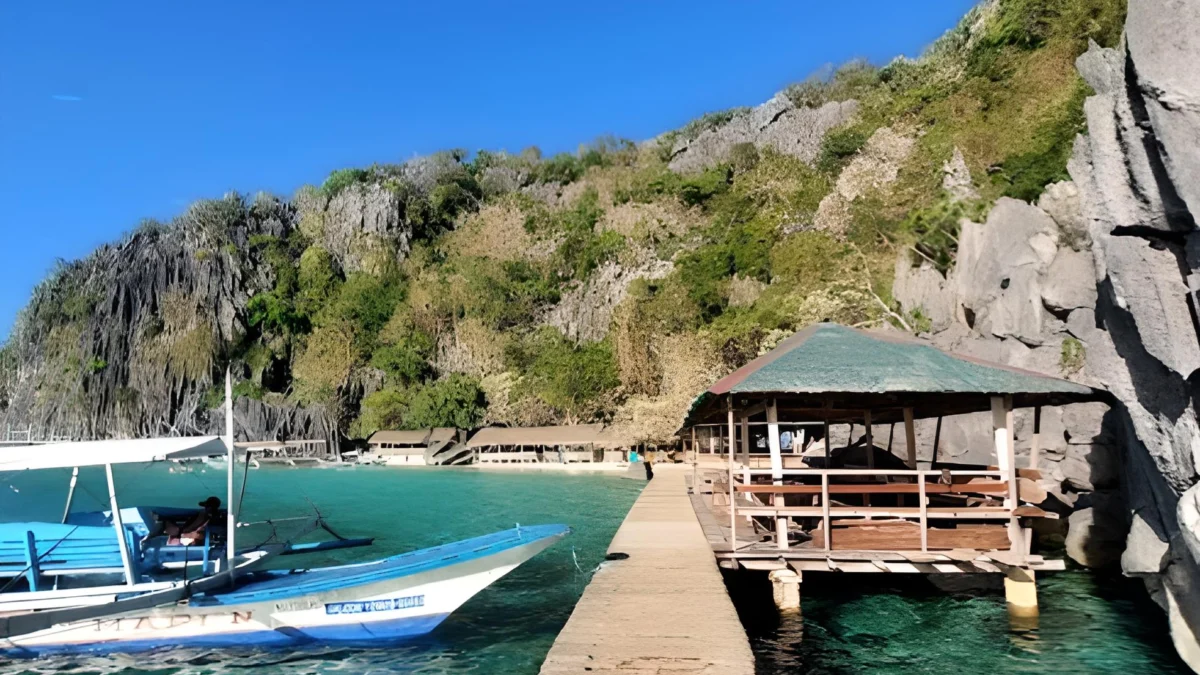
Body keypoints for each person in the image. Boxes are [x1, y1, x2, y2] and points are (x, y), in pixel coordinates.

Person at [145, 496, 222, 546]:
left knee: (165, 523)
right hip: (185, 532)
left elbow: (199, 534)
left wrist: (184, 534)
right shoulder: (207, 516)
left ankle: (149, 537)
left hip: (185, 533)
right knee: (166, 523)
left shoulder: (206, 517)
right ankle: (150, 536)